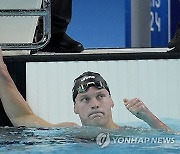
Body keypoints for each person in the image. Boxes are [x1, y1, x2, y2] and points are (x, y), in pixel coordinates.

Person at [0, 48, 171, 132]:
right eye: (85, 99)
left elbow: (172, 139)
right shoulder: (69, 132)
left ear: (111, 101)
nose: (95, 104)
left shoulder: (129, 134)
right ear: (75, 107)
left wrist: (149, 117)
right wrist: (1, 70)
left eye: (100, 96)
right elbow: (21, 117)